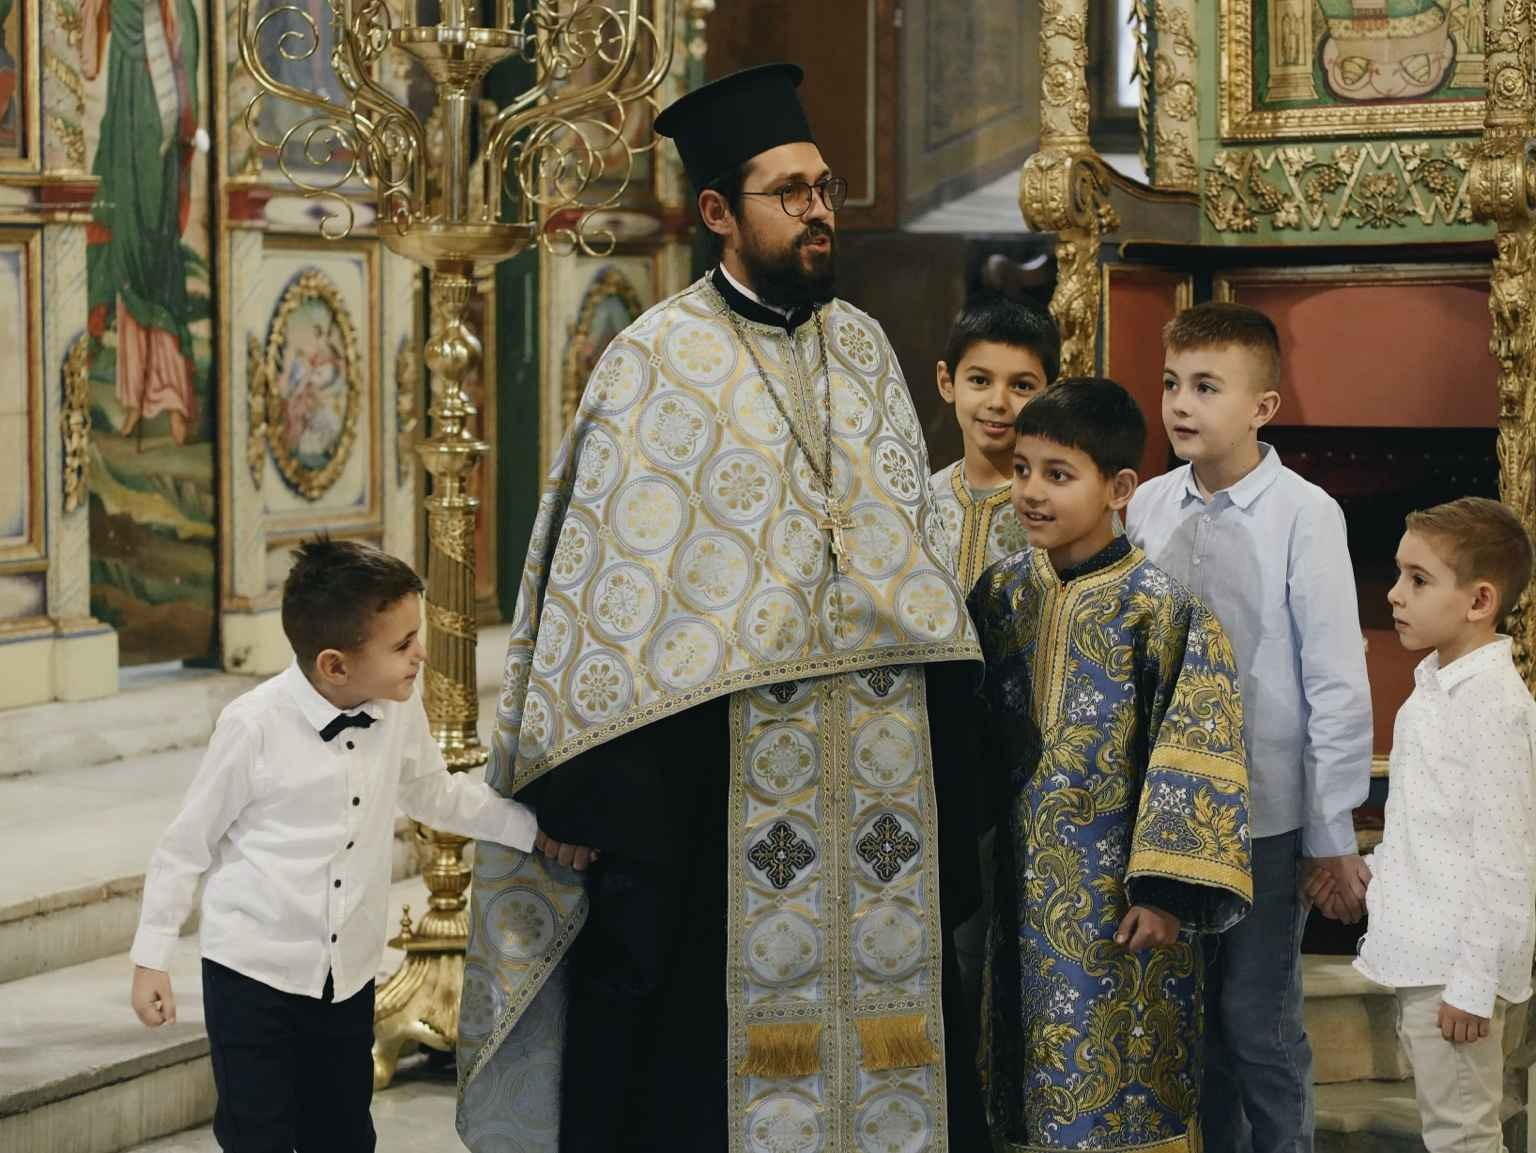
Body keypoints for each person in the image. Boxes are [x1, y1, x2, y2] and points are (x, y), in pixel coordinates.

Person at [457, 63, 989, 1153]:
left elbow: (914, 558)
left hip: (878, 765)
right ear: (716, 213)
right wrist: (588, 792)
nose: (818, 212)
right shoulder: (655, 362)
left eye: (825, 188)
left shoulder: (864, 348)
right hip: (713, 780)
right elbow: (607, 591)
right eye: (789, 193)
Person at [127, 537, 547, 1152]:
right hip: (254, 971)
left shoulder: (397, 706)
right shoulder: (252, 725)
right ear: (334, 665)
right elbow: (184, 847)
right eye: (403, 644)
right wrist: (151, 957)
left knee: (345, 1132)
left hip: (347, 973)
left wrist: (533, 830)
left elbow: (432, 792)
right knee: (256, 1133)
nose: (421, 654)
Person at [967, 377, 1252, 1152]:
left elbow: (1194, 753)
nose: (1031, 491)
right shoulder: (1000, 594)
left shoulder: (1161, 610)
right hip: (1015, 891)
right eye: (1022, 469)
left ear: (1119, 488)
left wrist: (1163, 894)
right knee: (1015, 1080)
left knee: (1116, 1087)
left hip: (1119, 907)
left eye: (1058, 474)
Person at [1126, 302, 1374, 1153]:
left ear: (1262, 406)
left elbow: (1334, 680)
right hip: (1169, 814)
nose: (1180, 404)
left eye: (1206, 386)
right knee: (1191, 1025)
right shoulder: (1147, 505)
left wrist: (1329, 831)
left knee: (1257, 1023)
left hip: (1265, 814)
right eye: (1171, 383)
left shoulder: (1306, 513)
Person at [1354, 497, 1536, 1153]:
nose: (1395, 594)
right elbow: (1428, 833)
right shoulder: (1433, 688)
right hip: (1428, 957)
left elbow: (1505, 860)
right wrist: (1366, 876)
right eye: (1399, 574)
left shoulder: (1491, 705)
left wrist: (1473, 985)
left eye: (1419, 579)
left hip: (1456, 970)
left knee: (1463, 1139)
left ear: (1480, 600)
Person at [82, 0, 202, 445]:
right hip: (124, 144)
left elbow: (186, 56)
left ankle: (175, 399)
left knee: (159, 265)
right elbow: (89, 58)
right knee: (128, 259)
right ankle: (134, 396)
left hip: (161, 150)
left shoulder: (174, 9)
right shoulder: (122, 9)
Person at [929, 293, 1056, 592]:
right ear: (947, 382)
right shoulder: (922, 502)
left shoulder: (1068, 507)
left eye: (1021, 386)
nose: (998, 402)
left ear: (1050, 394)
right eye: (980, 381)